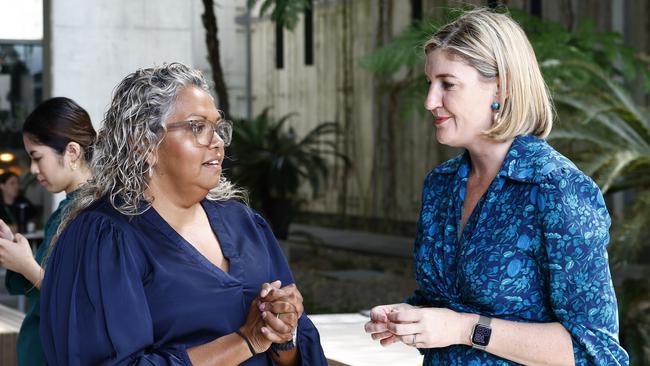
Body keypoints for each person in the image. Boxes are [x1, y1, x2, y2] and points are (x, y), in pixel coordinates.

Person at [364, 8, 628, 365]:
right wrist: (409, 317)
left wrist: (464, 329)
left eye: (448, 84)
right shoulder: (441, 185)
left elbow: (595, 351)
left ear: (501, 86)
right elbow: (446, 302)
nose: (430, 101)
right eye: (430, 83)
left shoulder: (557, 189)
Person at [39, 63, 327, 366]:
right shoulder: (105, 238)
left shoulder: (246, 225)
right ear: (144, 143)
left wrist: (284, 334)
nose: (217, 142)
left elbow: (298, 351)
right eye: (197, 127)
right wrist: (245, 341)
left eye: (217, 128)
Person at [0, 97, 96, 366]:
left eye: (37, 157)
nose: (32, 169)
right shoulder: (71, 208)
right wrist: (14, 248)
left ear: (72, 152)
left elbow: (82, 299)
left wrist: (26, 264)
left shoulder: (92, 215)